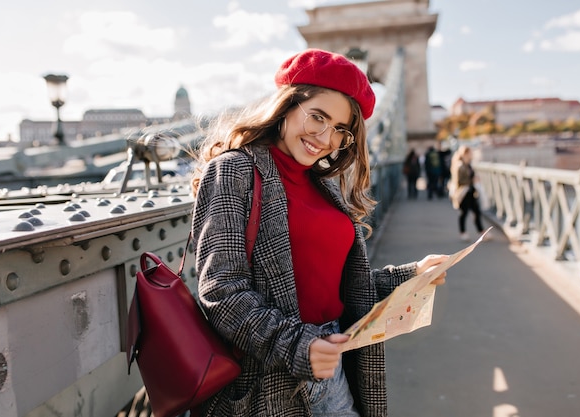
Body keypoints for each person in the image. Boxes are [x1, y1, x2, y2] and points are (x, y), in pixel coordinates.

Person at [190, 48, 448, 416]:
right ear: (286, 105)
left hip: (334, 376)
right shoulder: (236, 171)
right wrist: (300, 346)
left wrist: (409, 276)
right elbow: (222, 292)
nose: (326, 139)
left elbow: (329, 287)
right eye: (317, 117)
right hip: (270, 388)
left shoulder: (324, 183)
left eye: (341, 130)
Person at [449, 145, 485, 241]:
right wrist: (472, 180)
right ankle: (463, 233)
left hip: (470, 192)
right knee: (463, 213)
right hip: (463, 193)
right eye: (470, 153)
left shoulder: (467, 164)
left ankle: (481, 232)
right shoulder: (460, 165)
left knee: (476, 212)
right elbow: (458, 181)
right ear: (465, 154)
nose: (472, 155)